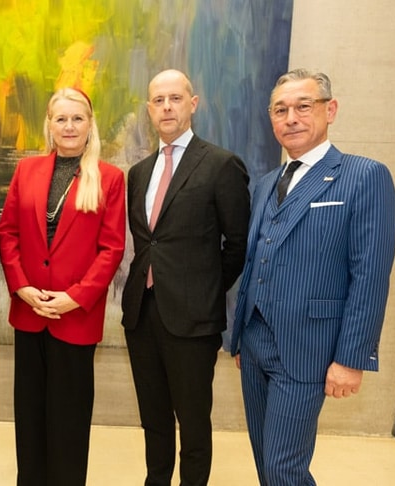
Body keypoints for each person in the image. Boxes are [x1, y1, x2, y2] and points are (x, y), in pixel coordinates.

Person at [230, 68, 395, 485]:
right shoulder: (266, 184)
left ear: (330, 110)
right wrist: (240, 337)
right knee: (266, 463)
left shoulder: (364, 176)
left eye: (303, 107)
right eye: (280, 110)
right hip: (255, 343)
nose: (291, 118)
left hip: (309, 348)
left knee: (284, 468)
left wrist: (351, 358)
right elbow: (255, 259)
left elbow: (370, 275)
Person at [121, 69, 250, 486]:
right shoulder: (139, 172)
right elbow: (148, 242)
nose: (166, 107)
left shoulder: (220, 164)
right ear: (149, 110)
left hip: (193, 321)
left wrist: (203, 291)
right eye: (158, 101)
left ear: (193, 105)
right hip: (142, 315)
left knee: (193, 423)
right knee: (153, 419)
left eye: (175, 99)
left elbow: (238, 244)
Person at [0, 87, 126, 485]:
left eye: (77, 119)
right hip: (30, 312)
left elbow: (112, 249)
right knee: (30, 419)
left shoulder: (110, 178)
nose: (69, 127)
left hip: (75, 318)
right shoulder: (27, 170)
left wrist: (75, 297)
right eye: (61, 119)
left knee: (69, 422)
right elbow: (8, 232)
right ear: (49, 125)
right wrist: (21, 286)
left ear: (90, 124)